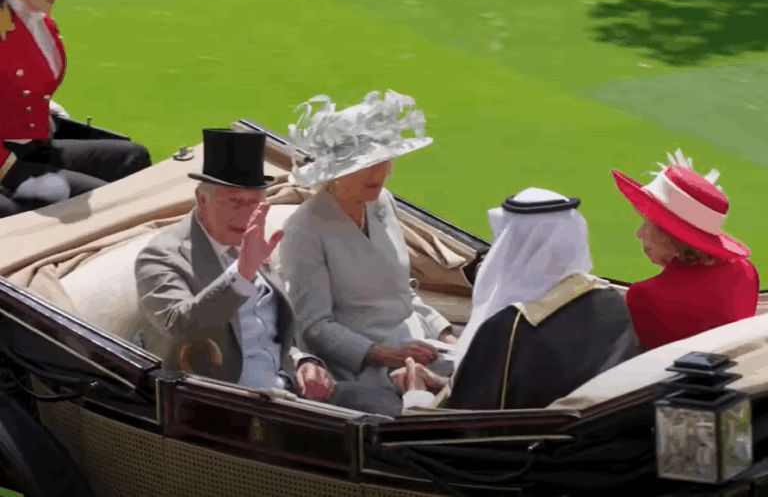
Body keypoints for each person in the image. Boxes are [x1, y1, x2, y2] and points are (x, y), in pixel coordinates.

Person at [279, 90, 456, 415]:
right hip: (360, 366)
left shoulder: (382, 202)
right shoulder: (305, 230)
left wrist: (443, 329)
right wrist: (381, 353)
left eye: (385, 161)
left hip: (417, 346)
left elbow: (400, 290)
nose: (383, 173)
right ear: (335, 171)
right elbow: (314, 325)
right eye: (369, 165)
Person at [391, 188, 640, 412]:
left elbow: (460, 425)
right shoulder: (610, 301)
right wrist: (445, 383)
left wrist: (415, 393)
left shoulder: (508, 328)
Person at [135, 129, 337, 403]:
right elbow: (180, 328)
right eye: (233, 201)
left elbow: (270, 329)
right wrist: (241, 274)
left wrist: (302, 362)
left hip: (286, 393)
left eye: (253, 202)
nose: (244, 214)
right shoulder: (161, 257)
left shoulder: (250, 241)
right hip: (221, 405)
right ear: (201, 199)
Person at [0, 0, 151, 217]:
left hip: (32, 144)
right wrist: (13, 175)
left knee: (132, 158)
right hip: (5, 160)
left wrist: (44, 108)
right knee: (103, 203)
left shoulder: (39, 22)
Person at [612, 149, 759, 351]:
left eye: (648, 223)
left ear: (672, 235)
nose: (639, 233)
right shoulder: (744, 270)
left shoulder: (645, 296)